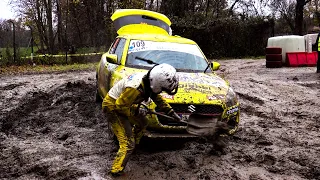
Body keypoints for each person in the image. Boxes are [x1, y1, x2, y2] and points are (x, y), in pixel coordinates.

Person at [102, 63, 181, 176]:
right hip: (113, 107)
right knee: (127, 143)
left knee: (143, 122)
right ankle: (116, 170)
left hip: (124, 104)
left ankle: (133, 146)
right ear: (158, 85)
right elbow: (120, 107)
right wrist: (135, 111)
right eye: (163, 89)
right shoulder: (135, 88)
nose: (162, 91)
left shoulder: (148, 81)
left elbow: (158, 99)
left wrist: (171, 113)